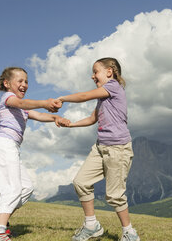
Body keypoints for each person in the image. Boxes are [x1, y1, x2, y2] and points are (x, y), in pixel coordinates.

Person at [0, 67, 70, 241]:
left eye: (26, 81)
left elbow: (39, 115)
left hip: (11, 148)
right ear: (7, 84)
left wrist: (56, 118)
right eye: (20, 81)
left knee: (25, 188)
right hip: (3, 145)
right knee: (12, 188)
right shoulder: (8, 98)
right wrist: (44, 102)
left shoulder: (22, 109)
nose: (24, 84)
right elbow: (24, 104)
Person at [58, 57, 140, 241]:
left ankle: (130, 233)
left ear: (109, 72)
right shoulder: (104, 96)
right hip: (100, 147)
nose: (92, 76)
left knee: (114, 195)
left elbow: (84, 96)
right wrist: (70, 125)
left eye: (96, 71)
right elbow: (92, 118)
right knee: (81, 182)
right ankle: (91, 225)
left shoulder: (113, 86)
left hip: (117, 148)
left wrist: (62, 98)